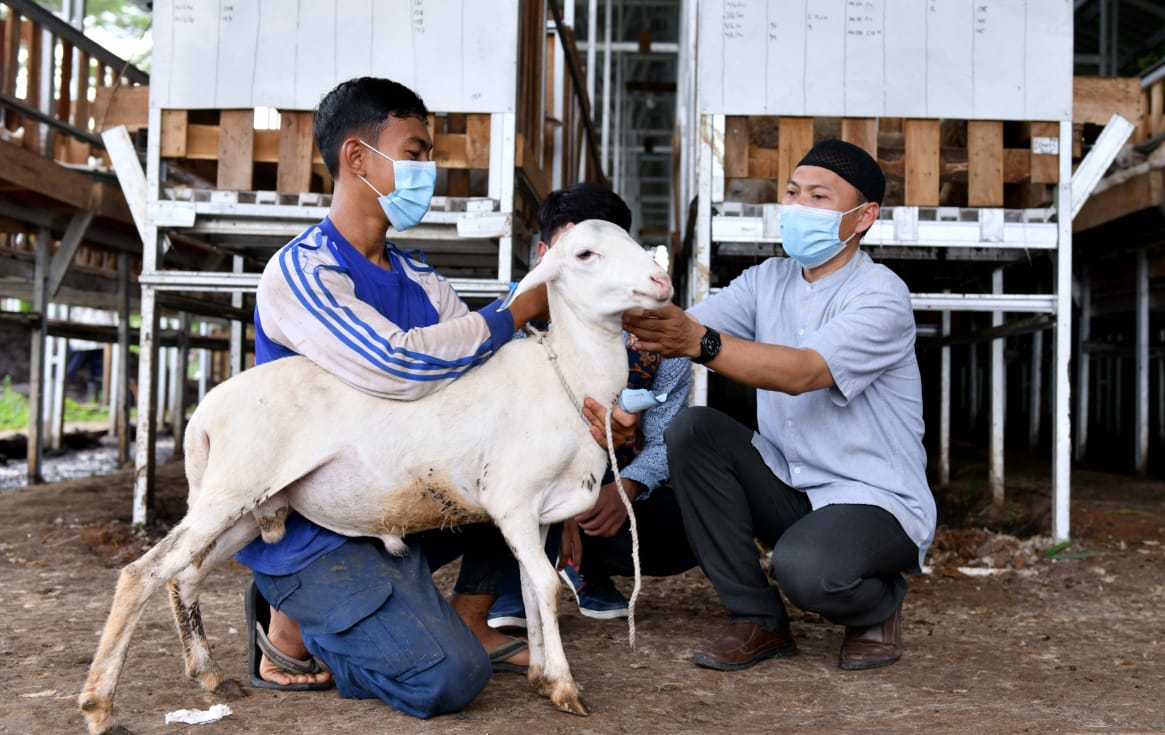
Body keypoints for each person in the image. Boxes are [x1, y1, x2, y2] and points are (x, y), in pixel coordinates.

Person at [233, 77, 623, 717]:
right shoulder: (302, 272)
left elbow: (482, 376)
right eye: (415, 152)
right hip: (315, 525)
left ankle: (463, 617)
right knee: (447, 681)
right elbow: (396, 362)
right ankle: (292, 624)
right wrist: (512, 311)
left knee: (527, 463)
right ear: (358, 158)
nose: (428, 170)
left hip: (390, 498)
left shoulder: (418, 276)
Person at [623, 139, 936, 672]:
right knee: (693, 432)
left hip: (874, 497)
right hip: (792, 484)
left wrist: (698, 341)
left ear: (864, 217)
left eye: (819, 196)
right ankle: (756, 620)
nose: (797, 207)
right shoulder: (769, 279)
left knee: (807, 571)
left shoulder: (881, 296)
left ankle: (879, 606)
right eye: (792, 193)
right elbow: (683, 330)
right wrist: (630, 360)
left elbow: (803, 372)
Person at [487, 182, 697, 629]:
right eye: (583, 253)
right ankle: (505, 582)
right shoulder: (508, 324)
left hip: (607, 487)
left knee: (682, 529)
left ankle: (588, 568)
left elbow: (665, 440)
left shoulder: (659, 339)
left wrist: (627, 492)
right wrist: (562, 506)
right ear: (546, 256)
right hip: (517, 483)